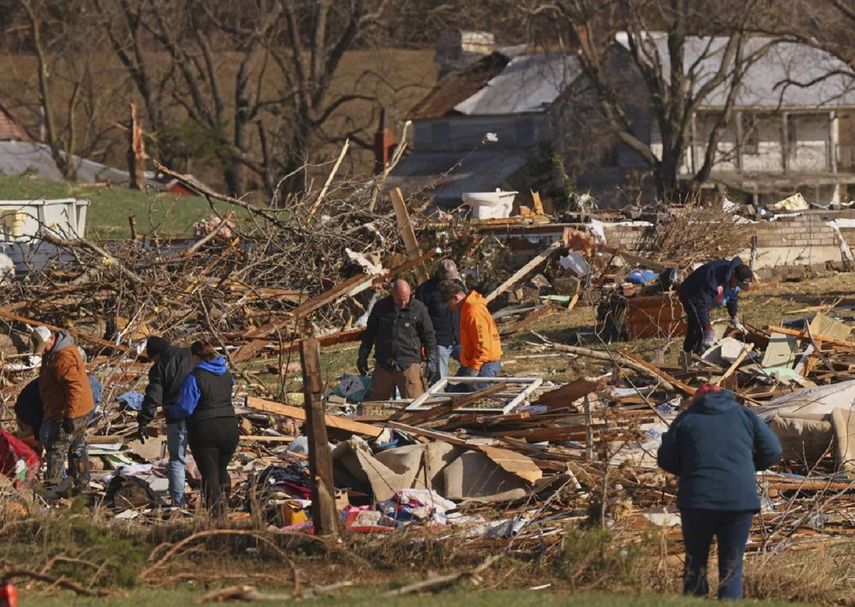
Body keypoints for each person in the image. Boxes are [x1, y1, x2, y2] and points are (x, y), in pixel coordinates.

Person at [657, 384, 782, 600]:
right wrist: (748, 467)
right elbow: (774, 450)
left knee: (695, 564)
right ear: (727, 396)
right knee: (732, 567)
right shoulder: (745, 416)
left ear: (696, 399)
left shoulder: (687, 418)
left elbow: (665, 458)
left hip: (697, 500)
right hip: (739, 501)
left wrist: (689, 470)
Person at [167, 341, 237, 518]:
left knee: (209, 473)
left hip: (205, 429)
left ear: (195, 357)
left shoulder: (195, 377)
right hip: (230, 426)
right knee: (222, 469)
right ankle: (224, 508)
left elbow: (185, 408)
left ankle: (216, 515)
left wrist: (170, 413)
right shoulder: (226, 374)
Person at [32, 326, 95, 494]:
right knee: (77, 449)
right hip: (72, 409)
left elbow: (74, 387)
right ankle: (82, 486)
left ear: (51, 339)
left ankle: (53, 487)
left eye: (43, 345)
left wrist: (70, 416)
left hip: (69, 411)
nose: (43, 350)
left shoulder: (63, 356)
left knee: (56, 448)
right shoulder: (53, 353)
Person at [137, 336, 194, 507]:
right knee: (205, 457)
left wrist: (143, 421)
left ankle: (178, 504)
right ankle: (212, 502)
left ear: (156, 355)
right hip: (202, 416)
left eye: (152, 358)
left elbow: (154, 397)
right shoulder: (190, 354)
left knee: (177, 460)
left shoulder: (159, 367)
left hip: (178, 417)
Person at [357, 279, 437, 399]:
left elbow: (429, 336)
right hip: (384, 362)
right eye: (400, 300)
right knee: (377, 405)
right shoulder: (380, 308)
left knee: (414, 403)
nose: (404, 303)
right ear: (392, 294)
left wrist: (431, 359)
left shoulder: (419, 309)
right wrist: (363, 356)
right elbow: (369, 334)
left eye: (406, 298)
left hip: (408, 363)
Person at [678, 257, 753, 357]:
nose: (737, 286)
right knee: (699, 327)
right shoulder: (712, 278)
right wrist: (708, 330)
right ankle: (692, 357)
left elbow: (732, 298)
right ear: (733, 274)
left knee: (698, 326)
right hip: (691, 293)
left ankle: (692, 353)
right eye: (737, 283)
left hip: (703, 295)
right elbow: (702, 304)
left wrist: (735, 319)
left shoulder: (733, 276)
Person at [439, 279, 503, 391]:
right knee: (453, 392)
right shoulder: (467, 309)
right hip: (472, 362)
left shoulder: (473, 311)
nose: (450, 308)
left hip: (485, 363)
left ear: (455, 298)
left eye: (450, 304)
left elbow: (483, 346)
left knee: (477, 394)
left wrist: (474, 369)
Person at [415, 259, 464, 381]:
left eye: (452, 278)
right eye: (448, 278)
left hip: (460, 337)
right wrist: (423, 341)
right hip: (439, 340)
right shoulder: (425, 290)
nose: (451, 280)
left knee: (470, 366)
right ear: (440, 274)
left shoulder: (459, 285)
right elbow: (419, 318)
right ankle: (440, 396)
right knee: (440, 376)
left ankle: (462, 390)